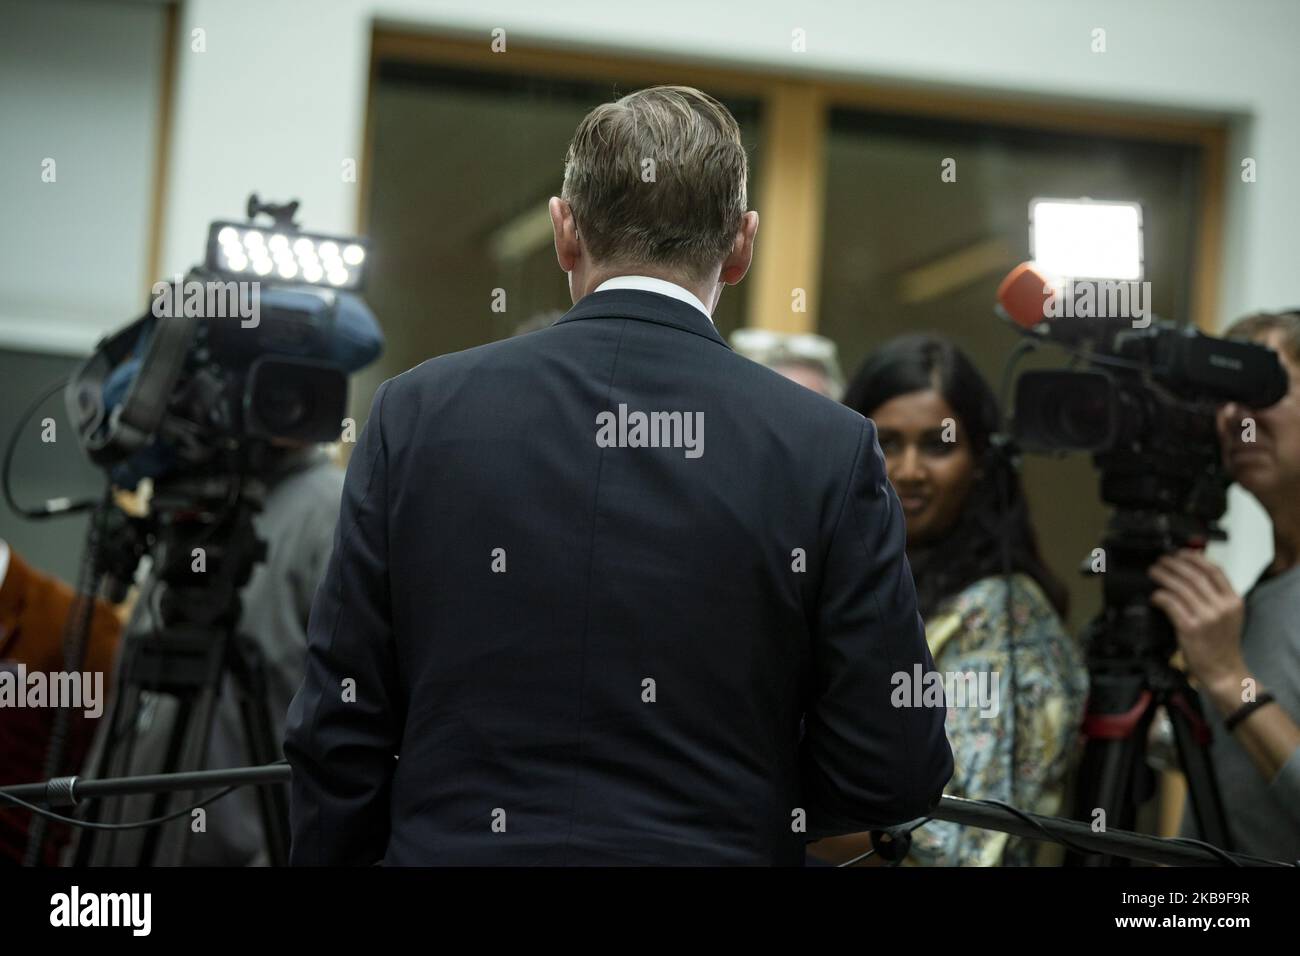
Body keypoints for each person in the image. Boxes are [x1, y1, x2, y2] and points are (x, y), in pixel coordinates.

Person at [284, 85, 953, 866]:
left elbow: (338, 727)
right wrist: (748, 800)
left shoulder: (416, 414)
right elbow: (897, 767)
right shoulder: (827, 448)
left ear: (564, 231)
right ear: (742, 245)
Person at [810, 333, 1086, 866]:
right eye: (886, 442)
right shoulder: (859, 584)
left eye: (938, 445)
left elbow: (952, 847)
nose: (910, 470)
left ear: (981, 461)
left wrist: (756, 810)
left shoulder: (1004, 619)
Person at [1160, 310, 1300, 862]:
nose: (1234, 417)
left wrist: (1228, 679)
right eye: (1222, 396)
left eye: (1259, 387)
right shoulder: (1267, 586)